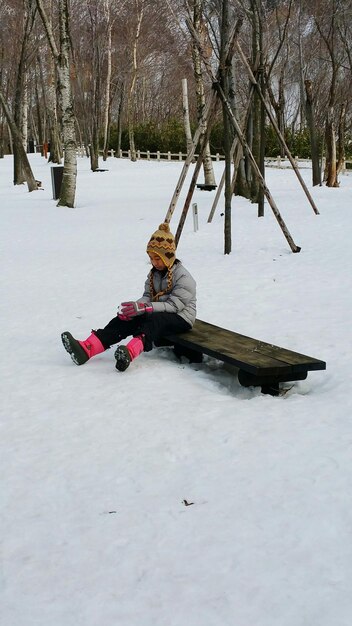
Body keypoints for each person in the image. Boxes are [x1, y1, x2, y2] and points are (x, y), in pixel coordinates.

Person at [61, 223, 196, 372]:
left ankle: (129, 353)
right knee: (126, 319)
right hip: (158, 312)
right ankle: (88, 348)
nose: (154, 262)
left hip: (182, 318)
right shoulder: (154, 274)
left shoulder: (184, 277)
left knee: (154, 321)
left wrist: (146, 308)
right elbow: (147, 296)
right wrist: (135, 308)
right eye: (151, 258)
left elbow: (175, 306)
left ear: (168, 257)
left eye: (158, 258)